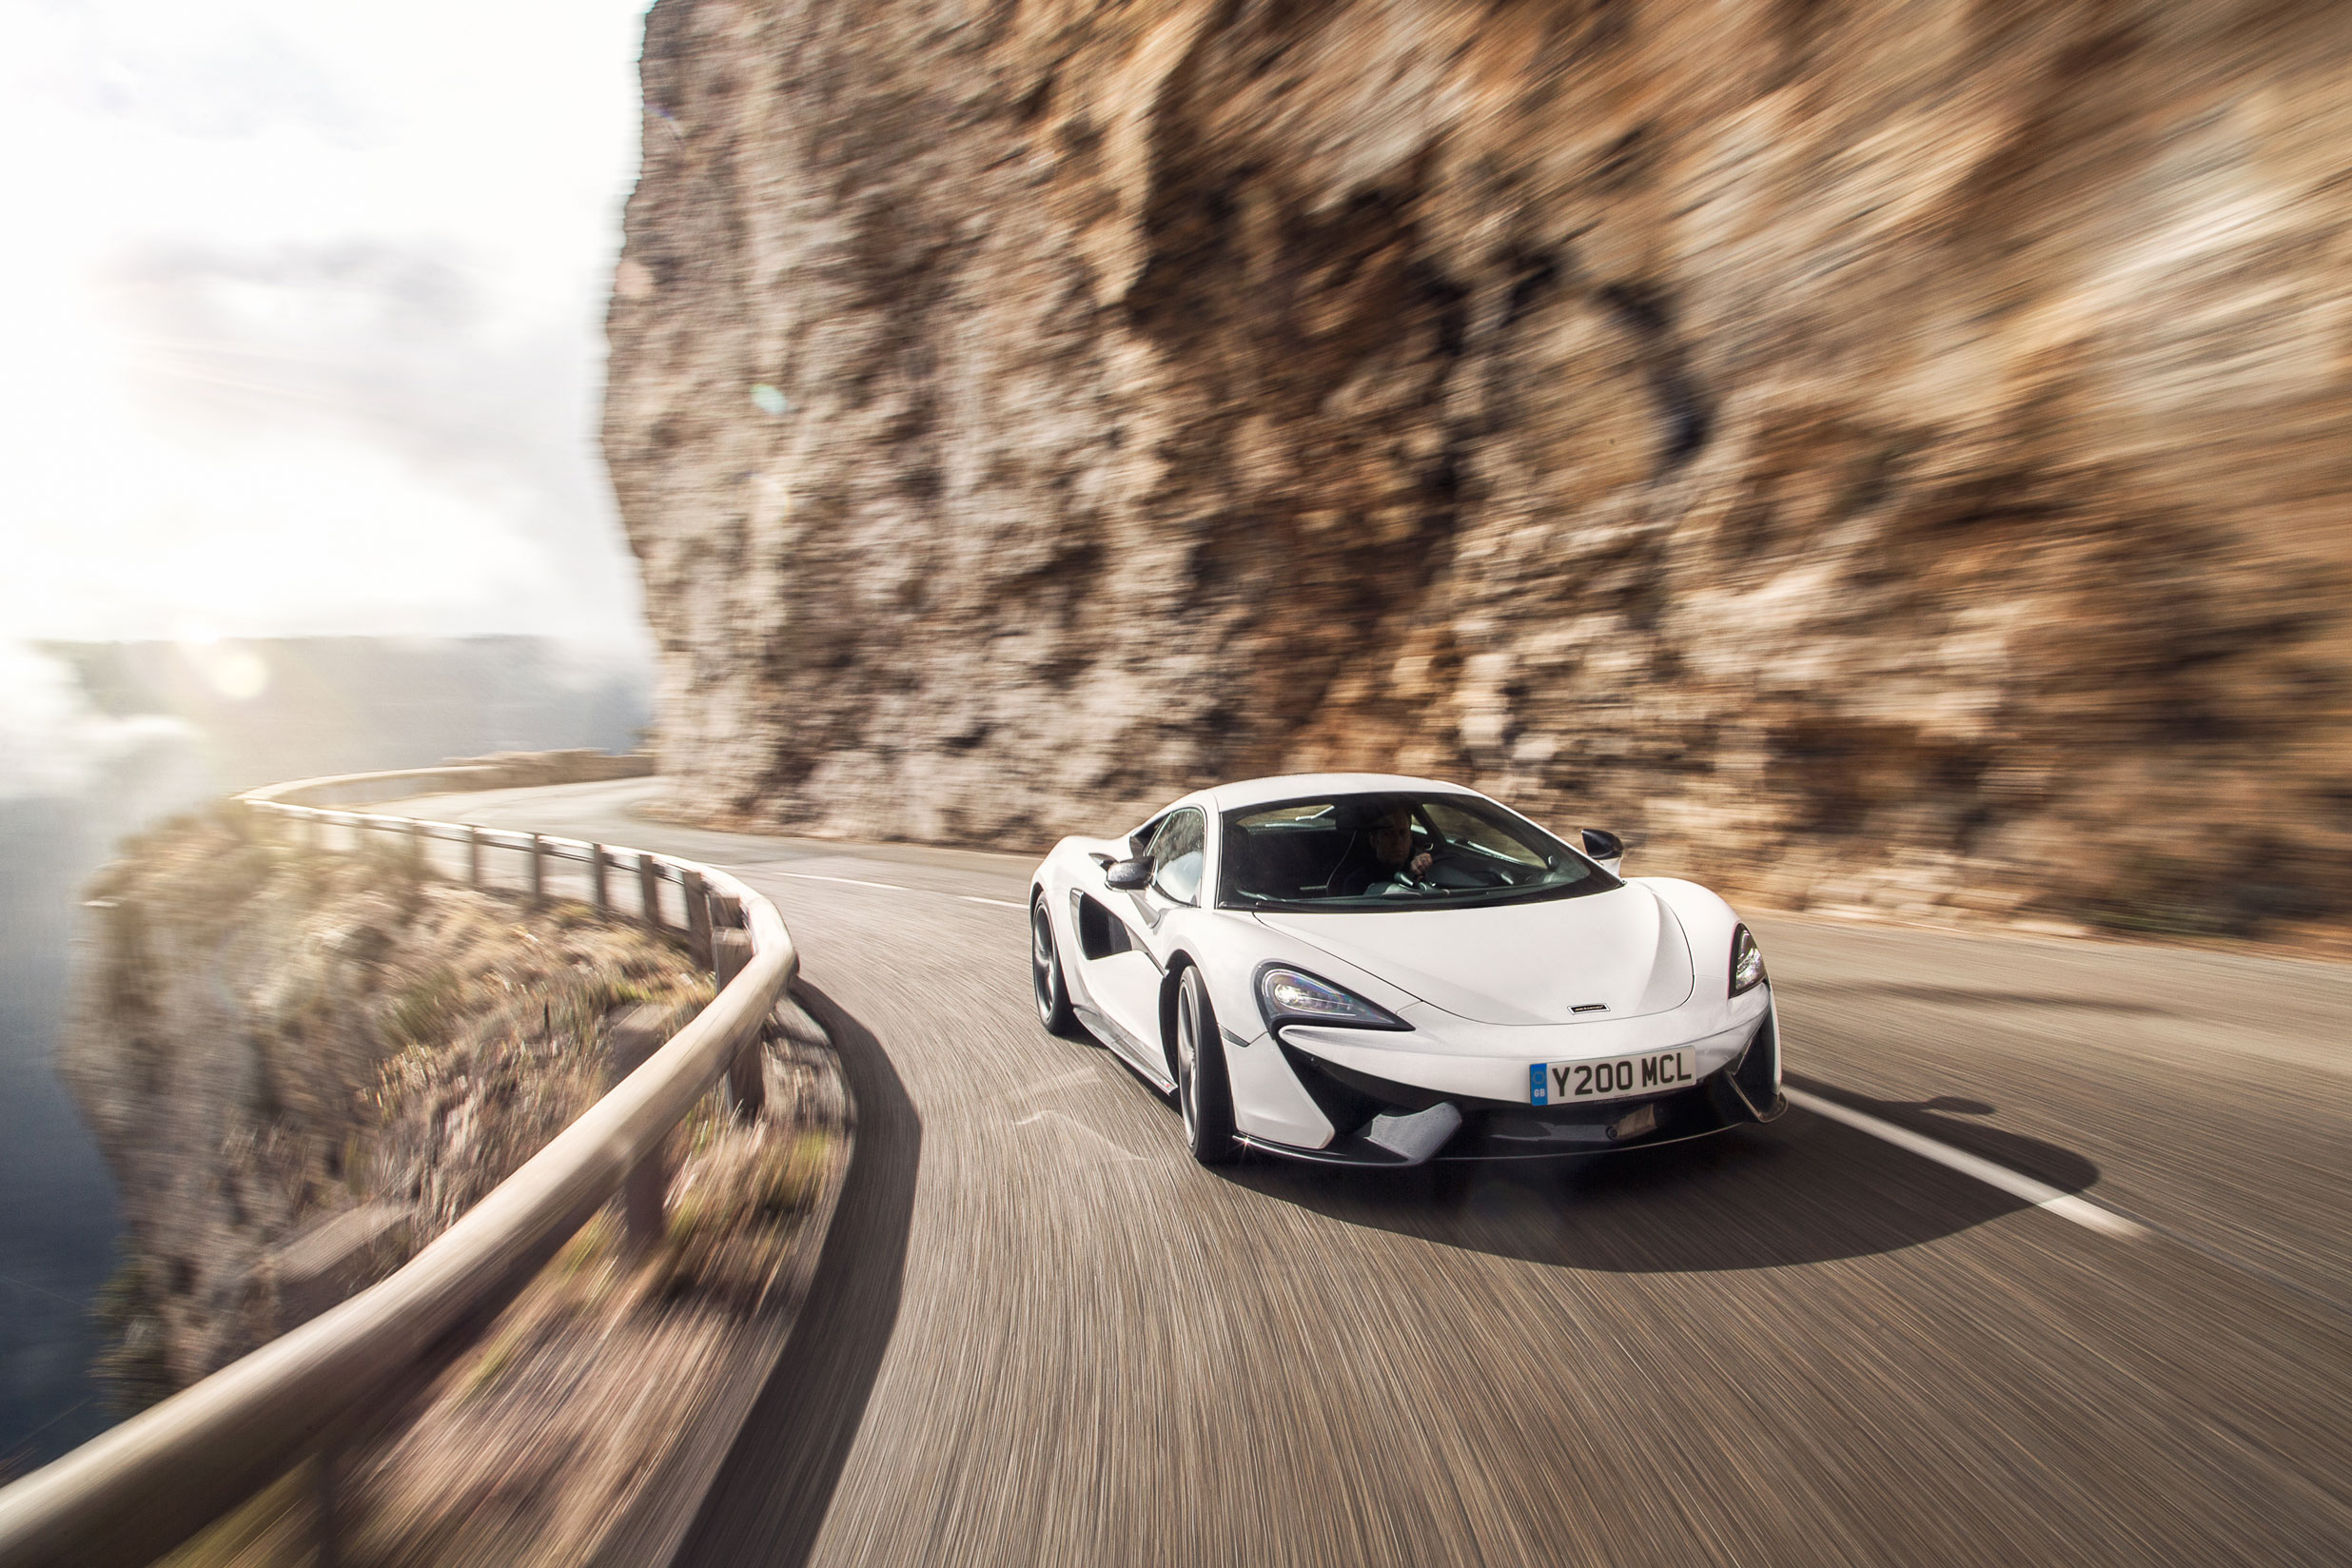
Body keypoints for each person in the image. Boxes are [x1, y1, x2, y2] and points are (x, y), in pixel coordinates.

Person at [1336, 803, 1436, 897]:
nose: (1397, 841)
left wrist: (1427, 867)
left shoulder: (1421, 866)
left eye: (1403, 833)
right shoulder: (1356, 883)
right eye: (1388, 834)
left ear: (1410, 838)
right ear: (1374, 840)